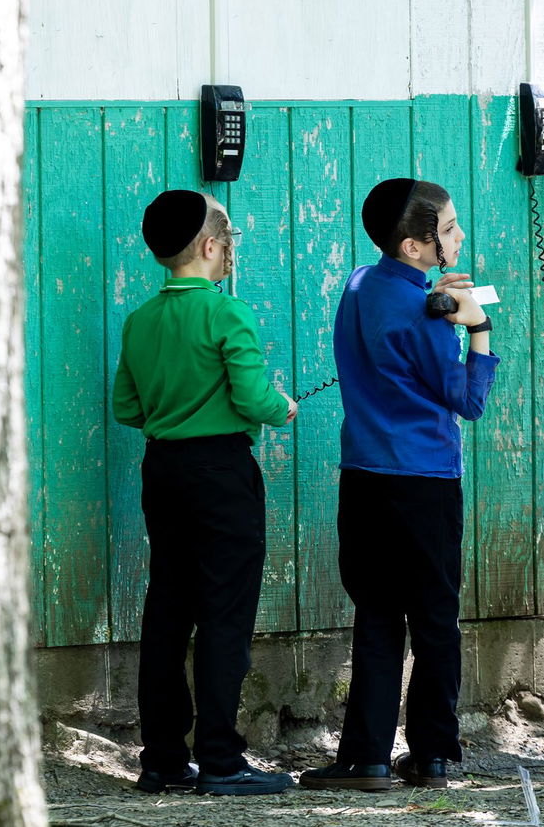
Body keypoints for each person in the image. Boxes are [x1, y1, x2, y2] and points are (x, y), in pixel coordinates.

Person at [300, 178, 498, 792]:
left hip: (364, 477)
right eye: (448, 230)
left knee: (378, 616)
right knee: (436, 618)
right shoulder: (432, 316)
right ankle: (434, 754)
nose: (459, 237)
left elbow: (383, 343)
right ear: (416, 246)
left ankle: (367, 759)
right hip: (426, 481)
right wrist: (477, 327)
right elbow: (467, 400)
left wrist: (431, 299)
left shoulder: (360, 285)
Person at [113, 189, 298, 796]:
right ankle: (221, 759)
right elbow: (253, 401)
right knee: (224, 615)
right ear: (212, 247)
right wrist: (284, 407)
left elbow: (126, 407)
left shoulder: (140, 320)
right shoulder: (227, 314)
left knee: (167, 608)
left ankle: (163, 759)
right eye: (230, 246)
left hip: (162, 471)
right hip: (221, 474)